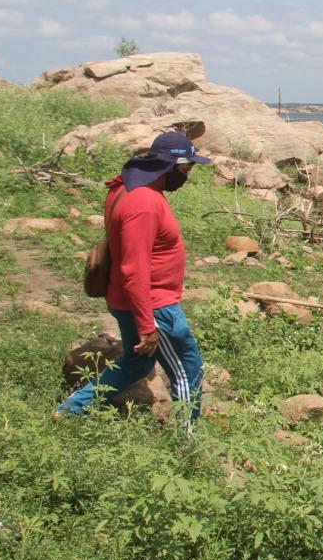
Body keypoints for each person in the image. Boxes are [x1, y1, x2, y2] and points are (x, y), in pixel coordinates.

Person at [55, 131, 211, 438]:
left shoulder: (127, 186)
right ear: (171, 163)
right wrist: (147, 325)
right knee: (187, 369)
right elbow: (134, 268)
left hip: (133, 299)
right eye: (187, 168)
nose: (188, 175)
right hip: (153, 305)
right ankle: (188, 440)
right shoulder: (143, 202)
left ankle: (68, 411)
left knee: (137, 365)